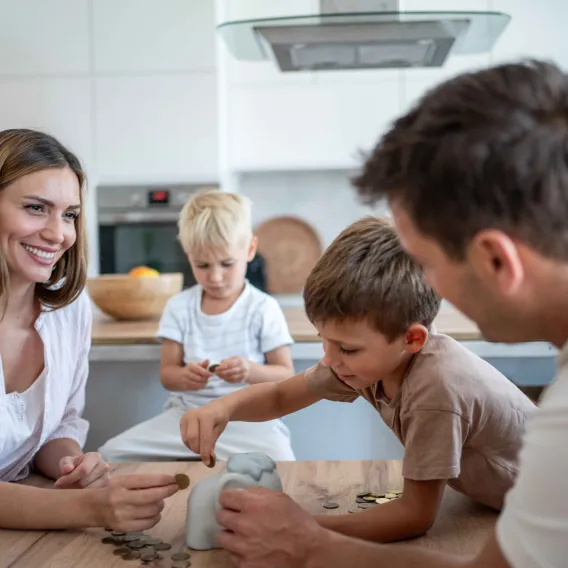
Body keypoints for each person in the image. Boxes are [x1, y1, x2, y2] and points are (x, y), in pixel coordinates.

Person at [199, 59, 568, 568]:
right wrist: (224, 408)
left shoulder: (444, 382)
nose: (430, 288)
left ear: (495, 261)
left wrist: (307, 541)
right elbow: (291, 391)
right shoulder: (367, 361)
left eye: (428, 262)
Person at [181, 215, 534, 544]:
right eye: (324, 339)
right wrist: (222, 408)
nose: (331, 359)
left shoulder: (436, 390)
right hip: (501, 506)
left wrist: (300, 525)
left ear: (411, 339)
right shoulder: (368, 362)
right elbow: (280, 398)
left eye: (346, 348)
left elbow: (414, 516)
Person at [0, 128, 178, 531]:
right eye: (35, 207)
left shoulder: (68, 310)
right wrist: (92, 509)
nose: (58, 233)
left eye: (70, 215)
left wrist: (70, 462)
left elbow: (58, 424)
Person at [100, 190, 296, 462]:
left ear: (250, 250)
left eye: (227, 263)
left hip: (249, 421)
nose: (214, 277)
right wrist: (185, 377)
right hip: (186, 418)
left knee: (284, 464)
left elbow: (286, 374)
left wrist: (249, 370)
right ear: (188, 255)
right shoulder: (179, 307)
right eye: (202, 265)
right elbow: (168, 374)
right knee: (111, 454)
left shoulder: (263, 308)